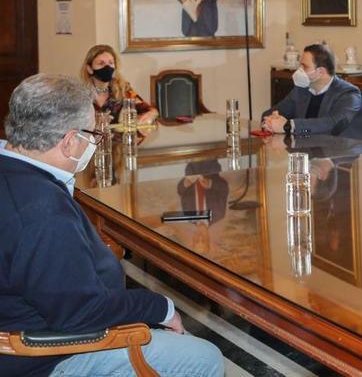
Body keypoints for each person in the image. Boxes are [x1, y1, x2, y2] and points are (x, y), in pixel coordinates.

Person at [0, 74, 223, 377]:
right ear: (69, 142)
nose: (92, 143)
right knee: (204, 357)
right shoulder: (42, 212)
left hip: (30, 318)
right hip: (46, 356)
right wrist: (161, 307)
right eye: (91, 134)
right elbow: (82, 313)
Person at [262, 43, 362, 140]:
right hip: (308, 151)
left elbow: (333, 125)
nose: (299, 71)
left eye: (305, 67)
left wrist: (288, 126)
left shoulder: (349, 94)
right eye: (300, 66)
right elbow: (270, 113)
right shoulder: (301, 89)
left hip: (340, 155)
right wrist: (271, 120)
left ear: (321, 71)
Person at [80, 44, 158, 124]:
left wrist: (151, 114)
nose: (107, 67)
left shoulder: (124, 89)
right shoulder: (79, 93)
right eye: (101, 63)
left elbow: (149, 110)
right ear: (89, 69)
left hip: (119, 136)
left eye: (111, 63)